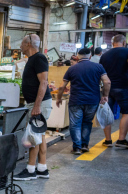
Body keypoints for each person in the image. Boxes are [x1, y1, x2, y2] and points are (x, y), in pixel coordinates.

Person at [55, 48, 111, 154]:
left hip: (76, 100)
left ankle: (76, 147)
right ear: (90, 56)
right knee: (87, 122)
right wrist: (105, 95)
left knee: (75, 124)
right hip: (92, 100)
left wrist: (59, 98)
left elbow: (62, 86)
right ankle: (85, 145)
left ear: (77, 57)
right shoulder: (98, 67)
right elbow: (107, 82)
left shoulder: (72, 69)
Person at [17, 34, 52, 181]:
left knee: (34, 136)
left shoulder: (39, 58)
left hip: (39, 103)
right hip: (36, 103)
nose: (20, 46)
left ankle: (30, 170)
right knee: (40, 135)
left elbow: (44, 83)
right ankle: (42, 168)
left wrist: (36, 106)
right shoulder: (32, 59)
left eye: (22, 43)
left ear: (29, 44)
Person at [99, 34, 128, 148]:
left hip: (107, 89)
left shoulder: (104, 55)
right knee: (127, 113)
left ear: (112, 43)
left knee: (108, 113)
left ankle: (108, 140)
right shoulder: (127, 51)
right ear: (124, 42)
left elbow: (100, 73)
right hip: (123, 87)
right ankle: (121, 140)